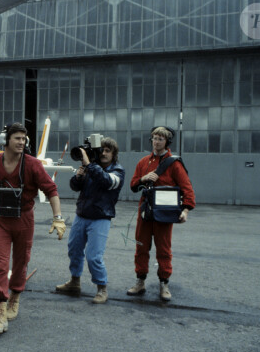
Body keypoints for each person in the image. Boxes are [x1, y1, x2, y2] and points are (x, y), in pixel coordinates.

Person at [0, 123, 66, 334]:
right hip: (1, 220)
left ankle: (15, 296)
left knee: (21, 260)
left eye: (24, 139)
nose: (21, 143)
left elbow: (51, 190)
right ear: (6, 140)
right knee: (0, 262)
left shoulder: (33, 165)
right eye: (17, 138)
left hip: (24, 219)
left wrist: (58, 218)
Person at [127, 126, 195, 301]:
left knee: (163, 249)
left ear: (167, 142)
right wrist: (144, 178)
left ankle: (164, 283)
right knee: (141, 246)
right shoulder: (143, 162)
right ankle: (140, 281)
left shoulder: (175, 164)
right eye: (154, 138)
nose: (156, 142)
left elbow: (187, 188)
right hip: (146, 211)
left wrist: (186, 210)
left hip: (165, 213)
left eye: (160, 139)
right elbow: (133, 185)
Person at [56, 138, 125, 304]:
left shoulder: (117, 171)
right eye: (102, 150)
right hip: (82, 215)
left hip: (100, 218)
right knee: (74, 250)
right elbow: (74, 186)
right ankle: (75, 282)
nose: (103, 153)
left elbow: (106, 181)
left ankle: (102, 288)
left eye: (108, 150)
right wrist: (79, 176)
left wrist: (89, 165)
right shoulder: (92, 167)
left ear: (114, 154)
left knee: (94, 256)